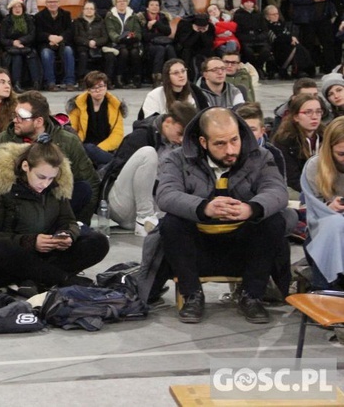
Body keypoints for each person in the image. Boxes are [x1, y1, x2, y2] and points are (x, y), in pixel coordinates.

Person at [157, 107, 289, 324]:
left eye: (234, 140)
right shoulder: (176, 159)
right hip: (197, 249)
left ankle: (252, 295)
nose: (230, 150)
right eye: (220, 143)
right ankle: (192, 295)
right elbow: (165, 195)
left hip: (243, 247)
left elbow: (277, 192)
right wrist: (204, 208)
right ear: (203, 142)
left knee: (273, 221)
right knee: (172, 223)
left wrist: (251, 209)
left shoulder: (261, 157)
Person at [0, 137, 110, 294]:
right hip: (11, 259)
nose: (45, 184)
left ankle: (37, 279)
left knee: (98, 241)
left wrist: (66, 235)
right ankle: (61, 279)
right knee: (1, 249)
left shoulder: (55, 188)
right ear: (26, 167)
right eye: (41, 177)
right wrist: (30, 242)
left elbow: (69, 221)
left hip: (45, 255)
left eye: (51, 178)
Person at [0, 90, 101, 224]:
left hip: (56, 209)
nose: (15, 120)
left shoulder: (68, 142)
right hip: (17, 213)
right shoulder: (2, 141)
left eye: (21, 117)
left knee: (83, 189)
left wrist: (77, 225)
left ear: (39, 121)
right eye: (14, 114)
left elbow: (91, 184)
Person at [101, 102, 197, 237]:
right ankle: (143, 218)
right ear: (168, 122)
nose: (182, 140)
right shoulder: (140, 136)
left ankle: (149, 219)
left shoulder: (182, 148)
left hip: (156, 206)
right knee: (148, 153)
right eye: (180, 133)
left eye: (185, 137)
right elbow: (115, 173)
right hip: (122, 202)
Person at [301, 118, 344, 289]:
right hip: (322, 234)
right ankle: (324, 293)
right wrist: (328, 208)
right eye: (341, 154)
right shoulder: (314, 167)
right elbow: (313, 213)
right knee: (334, 223)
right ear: (329, 149)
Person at [289, 0, 338, 73]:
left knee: (328, 43)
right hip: (307, 18)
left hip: (323, 15)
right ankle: (308, 69)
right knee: (308, 44)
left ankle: (330, 69)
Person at [67, 71, 124, 168]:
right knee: (90, 149)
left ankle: (114, 163)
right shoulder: (77, 105)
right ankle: (119, 163)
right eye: (93, 88)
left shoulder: (115, 105)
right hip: (84, 147)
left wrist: (98, 149)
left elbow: (117, 134)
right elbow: (72, 131)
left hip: (106, 148)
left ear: (106, 87)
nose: (98, 90)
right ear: (88, 90)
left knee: (102, 166)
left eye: (101, 86)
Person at [272, 93, 324, 198]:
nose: (314, 117)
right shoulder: (284, 141)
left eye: (318, 112)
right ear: (296, 117)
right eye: (308, 112)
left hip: (325, 187)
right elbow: (292, 179)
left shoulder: (327, 136)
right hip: (297, 190)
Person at [139, 58, 209, 119]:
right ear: (167, 76)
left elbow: (204, 114)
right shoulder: (155, 95)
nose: (181, 75)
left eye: (183, 71)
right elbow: (150, 121)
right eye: (176, 73)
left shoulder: (194, 91)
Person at [35, 0, 76, 92]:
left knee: (68, 51)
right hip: (46, 44)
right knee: (46, 53)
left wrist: (60, 38)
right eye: (50, 2)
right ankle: (50, 83)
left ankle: (69, 82)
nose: (52, 4)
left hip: (63, 43)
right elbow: (37, 33)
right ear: (46, 3)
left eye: (55, 2)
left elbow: (70, 31)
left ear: (59, 3)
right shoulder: (39, 16)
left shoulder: (66, 14)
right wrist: (49, 37)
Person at [0, 0, 41, 91]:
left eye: (19, 7)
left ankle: (36, 83)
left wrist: (21, 41)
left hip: (27, 45)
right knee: (16, 57)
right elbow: (2, 39)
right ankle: (16, 84)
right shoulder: (6, 21)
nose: (17, 9)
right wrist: (13, 43)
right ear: (11, 9)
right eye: (15, 7)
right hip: (11, 47)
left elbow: (32, 35)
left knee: (31, 55)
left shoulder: (29, 19)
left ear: (23, 8)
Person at [264, 4, 315, 79]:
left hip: (287, 45)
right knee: (295, 48)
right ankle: (298, 70)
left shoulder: (281, 24)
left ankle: (304, 69)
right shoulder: (267, 26)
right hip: (277, 48)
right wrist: (290, 39)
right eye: (273, 14)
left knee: (299, 48)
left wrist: (291, 38)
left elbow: (287, 34)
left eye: (277, 13)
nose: (276, 16)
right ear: (267, 16)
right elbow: (275, 39)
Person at [105, 0, 143, 89]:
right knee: (124, 52)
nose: (122, 3)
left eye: (124, 1)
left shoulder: (133, 16)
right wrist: (119, 38)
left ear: (127, 2)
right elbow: (111, 32)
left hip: (132, 42)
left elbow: (138, 32)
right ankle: (119, 78)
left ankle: (136, 77)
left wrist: (132, 36)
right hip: (117, 43)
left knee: (135, 52)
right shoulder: (110, 16)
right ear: (115, 3)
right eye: (119, 1)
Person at [73, 1, 115, 85]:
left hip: (99, 46)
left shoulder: (101, 21)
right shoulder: (77, 22)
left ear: (95, 10)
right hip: (83, 46)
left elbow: (105, 37)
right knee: (82, 54)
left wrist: (96, 42)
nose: (89, 10)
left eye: (91, 9)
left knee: (110, 55)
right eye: (87, 8)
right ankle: (82, 80)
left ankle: (107, 80)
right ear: (83, 10)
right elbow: (76, 37)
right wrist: (88, 42)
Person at [232, 0, 271, 78]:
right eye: (247, 2)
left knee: (265, 51)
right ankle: (253, 68)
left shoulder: (258, 14)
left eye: (251, 2)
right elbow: (237, 31)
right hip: (245, 40)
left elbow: (265, 30)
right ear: (243, 2)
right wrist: (247, 38)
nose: (249, 4)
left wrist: (259, 37)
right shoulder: (238, 15)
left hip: (259, 40)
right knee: (248, 52)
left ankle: (258, 67)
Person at [138, 0, 176, 85]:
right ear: (147, 7)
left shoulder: (163, 17)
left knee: (169, 48)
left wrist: (156, 23)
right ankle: (157, 78)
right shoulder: (141, 18)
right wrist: (159, 34)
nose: (155, 7)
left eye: (157, 5)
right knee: (160, 49)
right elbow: (145, 37)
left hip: (163, 43)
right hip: (147, 45)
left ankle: (174, 73)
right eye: (152, 5)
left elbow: (168, 31)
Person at [174, 13, 215, 79]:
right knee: (187, 53)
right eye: (199, 28)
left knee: (210, 53)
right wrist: (196, 32)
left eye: (203, 28)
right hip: (187, 49)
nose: (201, 29)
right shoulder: (185, 25)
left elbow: (209, 44)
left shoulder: (210, 27)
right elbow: (186, 44)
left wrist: (203, 33)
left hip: (203, 49)